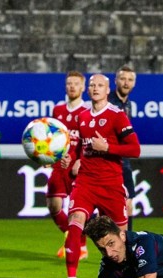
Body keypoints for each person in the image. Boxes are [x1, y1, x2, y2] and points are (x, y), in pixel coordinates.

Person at [58, 74, 141, 278]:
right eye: (92, 85)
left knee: (121, 234)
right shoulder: (83, 116)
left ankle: (131, 269)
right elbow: (79, 148)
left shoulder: (117, 116)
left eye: (100, 86)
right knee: (75, 223)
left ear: (107, 91)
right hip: (85, 183)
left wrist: (108, 148)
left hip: (111, 185)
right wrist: (70, 158)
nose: (95, 88)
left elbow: (135, 149)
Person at [49, 71, 91, 260]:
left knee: (77, 211)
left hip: (78, 167)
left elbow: (87, 139)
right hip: (59, 165)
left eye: (76, 83)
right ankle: (72, 237)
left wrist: (81, 160)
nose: (72, 86)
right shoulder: (57, 111)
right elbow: (51, 138)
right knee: (54, 205)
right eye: (69, 83)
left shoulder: (87, 111)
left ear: (83, 88)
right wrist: (47, 157)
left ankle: (78, 245)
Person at [108, 65, 138, 231]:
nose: (126, 83)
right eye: (123, 79)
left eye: (130, 80)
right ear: (116, 81)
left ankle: (128, 244)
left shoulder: (128, 104)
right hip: (108, 159)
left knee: (128, 203)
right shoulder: (108, 103)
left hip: (123, 161)